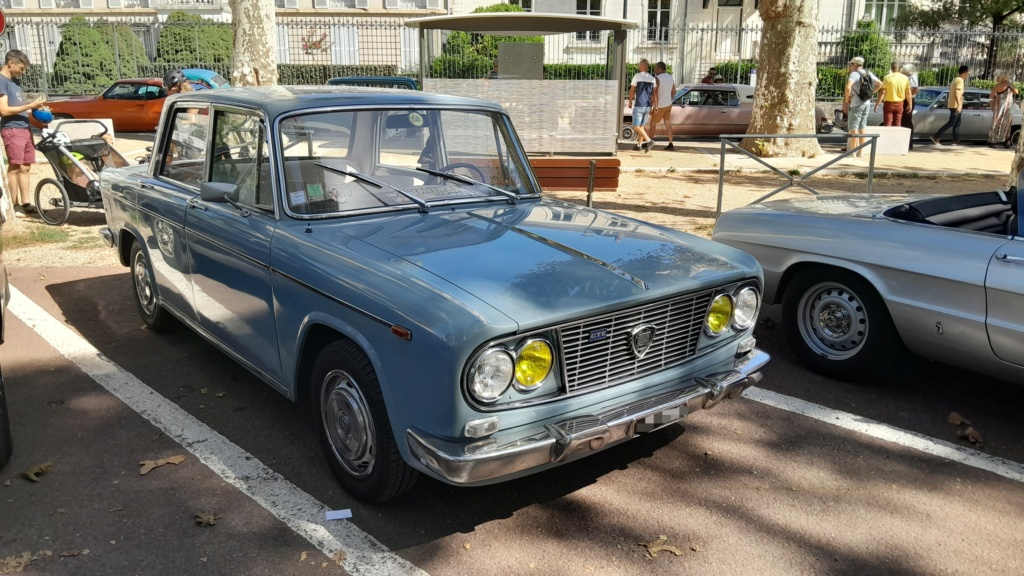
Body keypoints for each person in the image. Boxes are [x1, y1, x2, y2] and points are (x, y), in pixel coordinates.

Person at [0, 50, 46, 219]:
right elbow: (3, 110)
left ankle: (26, 203)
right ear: (10, 63)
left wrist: (35, 108)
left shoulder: (15, 83)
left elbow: (18, 104)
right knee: (15, 167)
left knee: (26, 166)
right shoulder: (1, 81)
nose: (23, 71)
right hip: (12, 129)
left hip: (24, 128)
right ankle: (15, 205)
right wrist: (28, 106)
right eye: (21, 67)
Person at [842, 56, 881, 158]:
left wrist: (847, 99)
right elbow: (880, 84)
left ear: (854, 65)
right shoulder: (867, 73)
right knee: (862, 127)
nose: (850, 67)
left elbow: (848, 87)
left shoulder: (854, 74)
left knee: (854, 127)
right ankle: (861, 151)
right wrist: (871, 93)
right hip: (866, 104)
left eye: (850, 65)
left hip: (856, 104)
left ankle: (852, 152)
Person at [931, 65, 969, 146]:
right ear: (965, 73)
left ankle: (956, 140)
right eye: (967, 73)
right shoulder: (960, 80)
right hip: (955, 106)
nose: (968, 75)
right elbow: (957, 93)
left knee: (957, 123)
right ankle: (936, 136)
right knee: (951, 123)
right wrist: (959, 105)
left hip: (954, 105)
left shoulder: (956, 79)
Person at [628, 59, 657, 153]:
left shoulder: (637, 76)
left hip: (639, 104)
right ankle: (639, 145)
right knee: (642, 125)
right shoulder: (653, 78)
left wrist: (630, 101)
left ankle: (649, 141)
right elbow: (654, 94)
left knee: (635, 126)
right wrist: (654, 105)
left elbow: (632, 90)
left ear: (640, 66)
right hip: (647, 105)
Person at [649, 61, 677, 151]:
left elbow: (655, 93)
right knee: (668, 124)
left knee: (652, 123)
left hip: (660, 105)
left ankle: (648, 142)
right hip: (668, 104)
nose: (654, 70)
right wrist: (668, 98)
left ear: (660, 68)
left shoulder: (657, 78)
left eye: (656, 68)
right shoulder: (670, 77)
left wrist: (654, 106)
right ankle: (670, 143)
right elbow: (674, 91)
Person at [987, 73, 1019, 147]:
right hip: (1008, 108)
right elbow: (1016, 92)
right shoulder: (1010, 85)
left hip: (999, 107)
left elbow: (991, 96)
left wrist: (998, 97)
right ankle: (1005, 141)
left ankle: (993, 141)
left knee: (996, 123)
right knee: (1006, 124)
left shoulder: (997, 86)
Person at [875, 61, 911, 127]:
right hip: (900, 103)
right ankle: (896, 136)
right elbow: (908, 92)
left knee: (888, 123)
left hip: (888, 104)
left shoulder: (887, 78)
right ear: (900, 69)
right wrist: (910, 104)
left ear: (891, 69)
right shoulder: (905, 78)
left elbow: (883, 92)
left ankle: (888, 136)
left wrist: (877, 104)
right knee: (898, 123)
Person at [900, 63, 919, 150]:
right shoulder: (907, 77)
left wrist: (909, 98)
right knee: (903, 121)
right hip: (905, 99)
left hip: (908, 100)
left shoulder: (913, 77)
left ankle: (909, 143)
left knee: (906, 121)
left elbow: (915, 89)